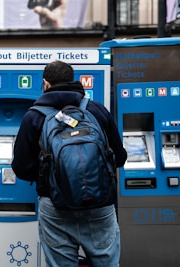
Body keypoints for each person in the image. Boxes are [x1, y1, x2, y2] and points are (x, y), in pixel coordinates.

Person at [11, 60, 127, 267]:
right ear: (73, 80)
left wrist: (50, 175)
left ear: (45, 84)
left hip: (56, 207)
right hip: (99, 205)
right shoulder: (96, 110)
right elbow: (119, 158)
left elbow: (21, 168)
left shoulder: (34, 117)